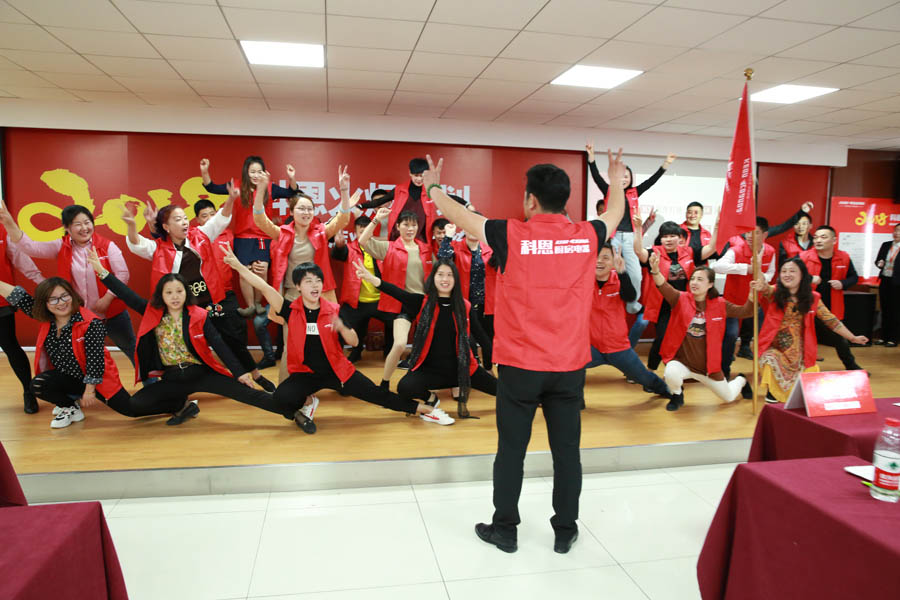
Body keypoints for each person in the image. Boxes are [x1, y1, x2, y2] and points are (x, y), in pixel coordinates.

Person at [423, 148, 625, 555]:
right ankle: (565, 530)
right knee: (566, 453)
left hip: (520, 367)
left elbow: (459, 215)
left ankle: (505, 530)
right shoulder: (587, 235)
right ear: (564, 200)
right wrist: (615, 179)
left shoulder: (509, 234)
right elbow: (616, 211)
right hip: (568, 366)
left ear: (531, 200)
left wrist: (433, 188)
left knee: (511, 452)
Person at [223, 248, 455, 433]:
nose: (315, 286)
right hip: (305, 373)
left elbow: (354, 342)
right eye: (308, 281)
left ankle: (425, 409)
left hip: (337, 371)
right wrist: (237, 265)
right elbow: (263, 286)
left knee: (377, 395)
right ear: (298, 286)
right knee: (283, 398)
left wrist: (343, 327)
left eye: (318, 281)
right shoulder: (289, 310)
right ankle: (308, 402)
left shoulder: (334, 310)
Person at [86, 249, 285, 426]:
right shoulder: (152, 312)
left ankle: (291, 409)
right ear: (162, 295)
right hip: (173, 379)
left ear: (186, 292)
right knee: (135, 404)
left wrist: (239, 373)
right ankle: (181, 405)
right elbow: (126, 294)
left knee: (250, 394)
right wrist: (101, 271)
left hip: (201, 374)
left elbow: (219, 345)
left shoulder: (198, 315)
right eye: (169, 292)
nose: (175, 296)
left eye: (179, 291)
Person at [123, 187, 276, 392]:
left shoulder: (200, 235)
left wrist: (231, 200)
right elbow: (136, 244)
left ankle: (256, 375)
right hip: (187, 310)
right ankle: (190, 390)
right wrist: (132, 226)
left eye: (185, 218)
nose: (184, 222)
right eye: (178, 219)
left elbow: (220, 219)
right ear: (166, 227)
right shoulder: (158, 248)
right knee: (191, 347)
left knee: (231, 339)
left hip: (212, 303)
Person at [354, 258, 497, 418]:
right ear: (433, 278)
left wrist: (498, 360)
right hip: (431, 371)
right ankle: (431, 398)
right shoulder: (421, 303)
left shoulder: (465, 306)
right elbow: (397, 293)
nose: (445, 279)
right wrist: (372, 279)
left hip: (462, 370)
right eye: (440, 274)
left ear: (455, 279)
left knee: (501, 390)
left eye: (449, 275)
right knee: (405, 388)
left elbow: (482, 337)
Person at [252, 167, 356, 382]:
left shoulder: (321, 232)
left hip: (320, 297)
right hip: (292, 298)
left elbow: (343, 218)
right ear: (292, 212)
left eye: (310, 209)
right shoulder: (282, 233)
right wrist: (261, 189)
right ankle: (285, 390)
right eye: (301, 208)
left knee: (326, 343)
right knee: (291, 346)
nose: (306, 212)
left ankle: (334, 382)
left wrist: (344, 190)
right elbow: (260, 219)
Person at [2, 203, 138, 364]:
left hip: (112, 313)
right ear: (67, 228)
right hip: (79, 315)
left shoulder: (107, 246)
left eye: (87, 222)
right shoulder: (61, 245)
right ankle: (92, 381)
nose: (84, 228)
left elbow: (123, 274)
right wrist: (9, 224)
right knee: (85, 355)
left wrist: (108, 298)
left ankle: (148, 379)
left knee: (131, 348)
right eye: (78, 224)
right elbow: (30, 247)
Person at [0, 277, 134, 428]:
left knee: (131, 409)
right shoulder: (49, 317)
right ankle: (70, 407)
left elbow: (95, 361)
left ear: (72, 295)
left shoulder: (90, 322)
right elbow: (19, 296)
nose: (61, 303)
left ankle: (159, 398)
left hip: (96, 380)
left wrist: (89, 391)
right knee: (38, 384)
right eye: (53, 299)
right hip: (70, 378)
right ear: (45, 303)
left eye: (65, 296)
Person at [747, 258, 868, 403]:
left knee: (804, 378)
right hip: (773, 345)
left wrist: (852, 337)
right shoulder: (775, 292)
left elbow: (831, 321)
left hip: (799, 349)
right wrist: (757, 267)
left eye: (792, 271)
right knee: (770, 358)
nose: (787, 274)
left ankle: (791, 392)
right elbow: (763, 286)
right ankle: (773, 391)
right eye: (784, 271)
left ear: (802, 275)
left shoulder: (812, 298)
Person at [648, 254, 754, 411]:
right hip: (683, 362)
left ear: (710, 284)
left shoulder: (720, 304)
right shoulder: (680, 299)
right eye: (692, 279)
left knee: (729, 397)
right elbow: (663, 286)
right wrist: (655, 271)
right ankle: (677, 395)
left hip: (708, 368)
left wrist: (752, 295)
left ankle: (741, 380)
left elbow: (746, 312)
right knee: (670, 372)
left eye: (700, 279)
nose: (694, 282)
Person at [200, 156, 298, 316]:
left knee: (261, 269)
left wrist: (292, 178)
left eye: (259, 172)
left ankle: (258, 303)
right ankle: (250, 306)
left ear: (264, 173)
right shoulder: (237, 185)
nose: (256, 175)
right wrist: (205, 172)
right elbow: (212, 188)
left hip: (263, 237)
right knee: (244, 271)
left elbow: (291, 192)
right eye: (252, 172)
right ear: (246, 172)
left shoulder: (270, 187)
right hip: (243, 237)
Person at [587, 142, 675, 313]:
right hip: (612, 237)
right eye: (621, 176)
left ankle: (632, 304)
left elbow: (651, 181)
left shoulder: (634, 192)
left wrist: (665, 165)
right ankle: (602, 300)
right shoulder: (608, 190)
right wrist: (591, 158)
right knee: (609, 271)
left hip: (629, 238)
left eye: (627, 176)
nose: (624, 179)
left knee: (635, 274)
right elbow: (596, 176)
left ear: (631, 179)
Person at [194, 198, 277, 371]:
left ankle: (240, 362)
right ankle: (204, 365)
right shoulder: (193, 238)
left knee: (238, 326)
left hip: (226, 293)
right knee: (203, 331)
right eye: (204, 216)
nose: (209, 218)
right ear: (197, 220)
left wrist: (256, 264)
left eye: (212, 214)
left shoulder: (229, 236)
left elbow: (245, 258)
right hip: (203, 296)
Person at [358, 206, 433, 389]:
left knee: (428, 347)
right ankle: (384, 383)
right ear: (398, 227)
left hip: (425, 304)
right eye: (406, 224)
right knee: (399, 344)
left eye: (413, 225)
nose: (410, 229)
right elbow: (362, 240)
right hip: (402, 304)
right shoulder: (389, 247)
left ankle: (420, 383)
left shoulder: (426, 249)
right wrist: (376, 219)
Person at [587, 243, 670, 399]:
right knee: (568, 369)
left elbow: (630, 297)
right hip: (591, 347)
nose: (599, 261)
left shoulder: (619, 280)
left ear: (613, 261)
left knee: (643, 377)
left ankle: (666, 391)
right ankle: (574, 401)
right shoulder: (583, 282)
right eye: (596, 257)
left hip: (618, 347)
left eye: (605, 257)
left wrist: (622, 273)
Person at [633, 219, 717, 372]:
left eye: (672, 236)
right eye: (665, 236)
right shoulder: (654, 253)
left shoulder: (690, 252)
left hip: (685, 304)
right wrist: (638, 229)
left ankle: (677, 372)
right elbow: (639, 251)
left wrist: (717, 227)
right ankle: (650, 370)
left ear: (680, 238)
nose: (669, 239)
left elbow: (711, 248)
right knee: (663, 337)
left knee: (684, 338)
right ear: (660, 239)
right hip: (663, 306)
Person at [713, 217, 777, 367]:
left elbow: (771, 272)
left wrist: (763, 278)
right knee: (731, 334)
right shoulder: (736, 250)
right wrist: (745, 268)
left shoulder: (770, 251)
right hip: (733, 301)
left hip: (754, 300)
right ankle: (725, 361)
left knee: (756, 331)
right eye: (747, 232)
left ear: (765, 235)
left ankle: (746, 350)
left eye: (755, 232)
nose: (749, 236)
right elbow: (717, 266)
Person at [331, 216, 394, 363]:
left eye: (368, 231)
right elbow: (338, 254)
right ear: (355, 233)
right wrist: (338, 246)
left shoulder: (380, 247)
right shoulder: (350, 248)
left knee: (396, 320)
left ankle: (389, 353)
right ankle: (347, 355)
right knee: (340, 322)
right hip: (355, 303)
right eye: (361, 231)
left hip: (380, 301)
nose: (365, 234)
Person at [800, 226, 864, 370]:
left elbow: (853, 277)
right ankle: (802, 369)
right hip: (809, 305)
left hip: (832, 305)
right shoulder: (804, 257)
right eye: (816, 237)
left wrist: (843, 283)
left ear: (834, 240)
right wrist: (809, 278)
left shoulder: (844, 257)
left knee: (839, 338)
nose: (818, 240)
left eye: (823, 237)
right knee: (804, 338)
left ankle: (851, 366)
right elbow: (791, 275)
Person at [0, 215, 45, 413]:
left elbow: (21, 259)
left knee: (10, 345)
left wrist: (43, 283)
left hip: (2, 299)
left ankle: (28, 391)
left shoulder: (2, 230)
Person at [437, 219, 494, 369]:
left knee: (488, 341)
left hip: (487, 304)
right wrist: (448, 237)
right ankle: (472, 371)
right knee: (468, 342)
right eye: (470, 226)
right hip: (464, 304)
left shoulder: (489, 249)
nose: (473, 230)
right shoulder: (456, 248)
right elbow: (442, 259)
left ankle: (488, 370)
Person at [355, 158, 439, 244]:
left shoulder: (431, 191)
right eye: (416, 175)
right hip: (399, 237)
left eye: (422, 176)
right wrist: (361, 206)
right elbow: (380, 201)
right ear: (410, 173)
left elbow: (445, 201)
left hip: (421, 238)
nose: (419, 179)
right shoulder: (400, 189)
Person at [875, 223, 900, 347]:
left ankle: (893, 338)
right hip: (885, 280)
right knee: (884, 309)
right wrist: (879, 263)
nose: (896, 233)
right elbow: (878, 260)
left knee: (895, 310)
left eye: (899, 231)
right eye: (895, 230)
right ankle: (883, 337)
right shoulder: (886, 245)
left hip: (898, 283)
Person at [681, 202, 713, 266]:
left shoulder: (707, 234)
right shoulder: (677, 230)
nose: (692, 215)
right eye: (689, 212)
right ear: (686, 214)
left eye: (696, 213)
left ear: (701, 215)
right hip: (682, 268)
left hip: (701, 269)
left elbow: (710, 252)